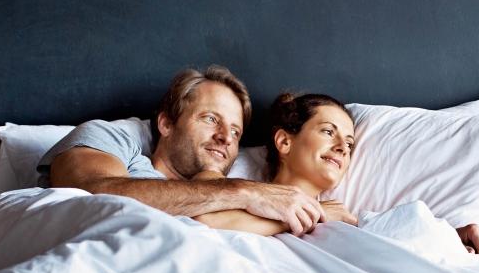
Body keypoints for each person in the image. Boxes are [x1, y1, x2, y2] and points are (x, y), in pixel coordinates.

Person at [194, 93, 479, 263]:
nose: (342, 147)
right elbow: (205, 221)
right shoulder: (238, 186)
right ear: (284, 140)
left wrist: (459, 235)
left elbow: (398, 249)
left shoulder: (344, 215)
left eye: (349, 142)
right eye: (328, 132)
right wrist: (313, 217)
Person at [37, 65, 325, 236]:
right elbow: (92, 195)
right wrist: (244, 192)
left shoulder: (221, 193)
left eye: (236, 132)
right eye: (211, 119)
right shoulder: (111, 139)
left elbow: (214, 222)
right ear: (166, 123)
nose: (225, 138)